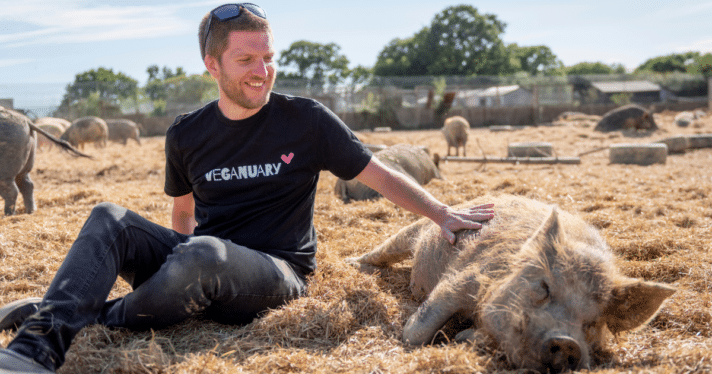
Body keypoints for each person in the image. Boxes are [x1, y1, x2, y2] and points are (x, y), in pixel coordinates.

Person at [0, 3, 494, 373]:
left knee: (204, 255)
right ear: (213, 66)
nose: (262, 71)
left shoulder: (306, 121)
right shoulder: (187, 132)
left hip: (277, 271)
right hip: (203, 255)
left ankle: (85, 315)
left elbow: (378, 173)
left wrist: (441, 213)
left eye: (268, 57)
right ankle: (34, 349)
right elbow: (182, 216)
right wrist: (169, 271)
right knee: (110, 217)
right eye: (245, 60)